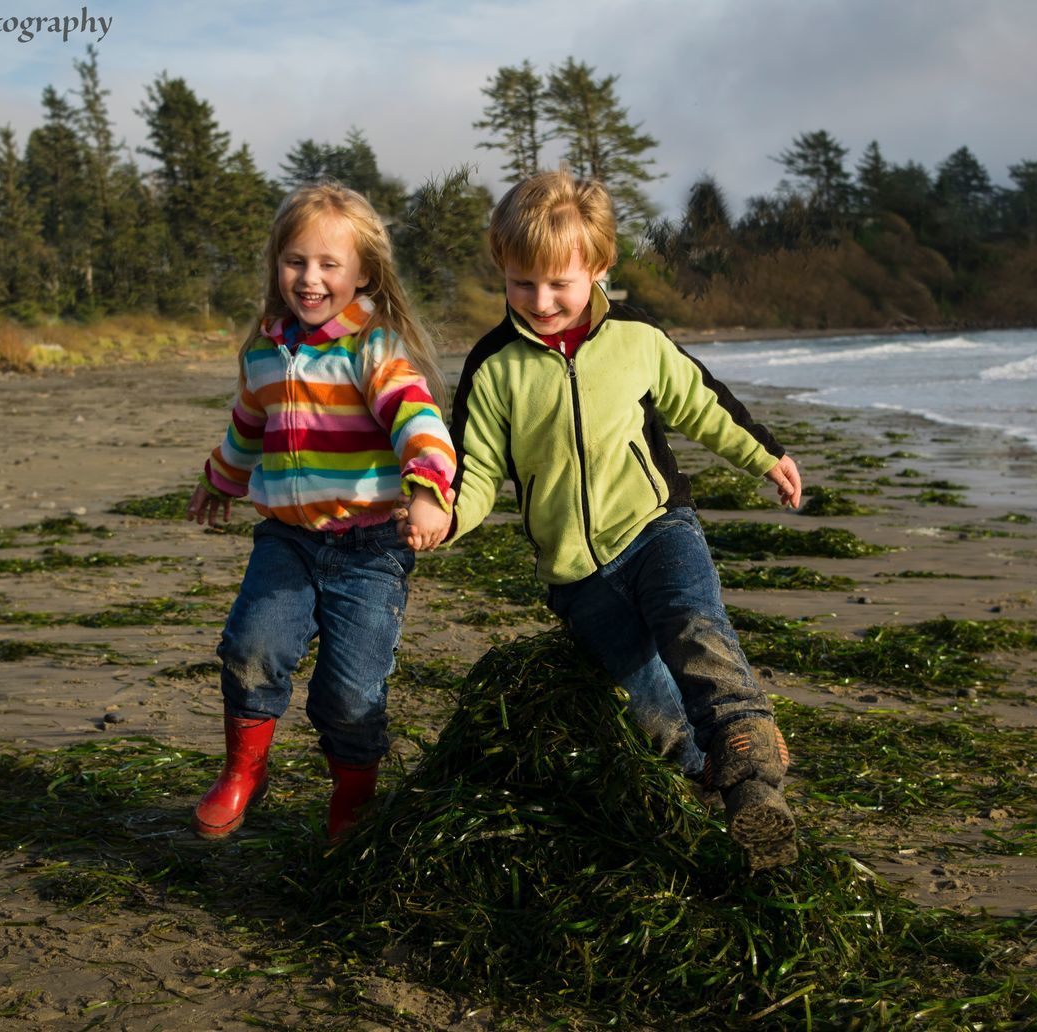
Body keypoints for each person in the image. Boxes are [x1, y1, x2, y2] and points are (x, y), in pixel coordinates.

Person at [446, 170, 803, 871]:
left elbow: (701, 402)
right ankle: (732, 802)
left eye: (559, 284)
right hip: (577, 574)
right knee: (652, 703)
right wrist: (443, 519)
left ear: (599, 268)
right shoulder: (492, 368)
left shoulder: (637, 339)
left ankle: (754, 764)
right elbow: (475, 472)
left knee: (696, 633)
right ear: (503, 272)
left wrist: (764, 455)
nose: (541, 301)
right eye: (522, 284)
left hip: (659, 528)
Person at [186, 183, 455, 843]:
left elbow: (419, 425)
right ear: (276, 265)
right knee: (251, 648)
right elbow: (248, 432)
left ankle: (354, 795)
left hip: (370, 550)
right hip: (287, 542)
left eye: (329, 265)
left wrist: (427, 490)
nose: (310, 279)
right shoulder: (262, 355)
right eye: (295, 262)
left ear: (362, 272)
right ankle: (245, 769)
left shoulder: (375, 350)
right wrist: (220, 482)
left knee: (350, 694)